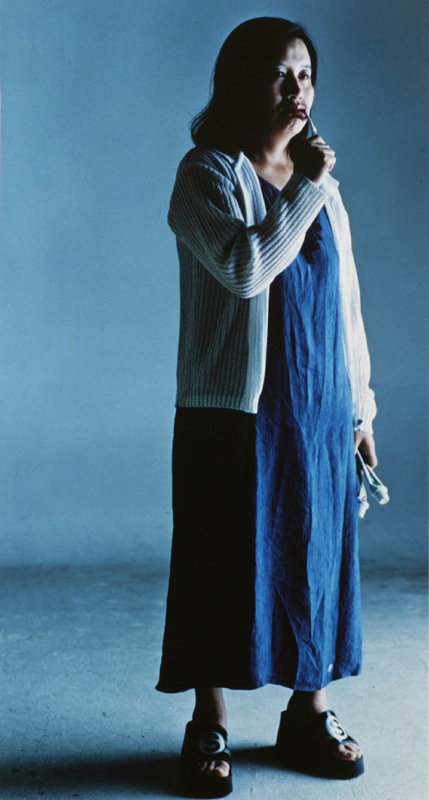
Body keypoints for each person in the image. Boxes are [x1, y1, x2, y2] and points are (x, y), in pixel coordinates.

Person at [156, 17, 377, 797]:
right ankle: (208, 720)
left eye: (305, 75)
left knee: (313, 557)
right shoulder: (206, 174)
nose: (296, 90)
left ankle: (307, 713)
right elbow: (246, 270)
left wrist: (361, 410)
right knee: (221, 558)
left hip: (318, 406)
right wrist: (306, 188)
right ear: (240, 83)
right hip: (233, 410)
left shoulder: (324, 187)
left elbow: (345, 305)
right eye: (280, 74)